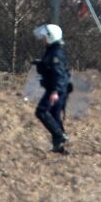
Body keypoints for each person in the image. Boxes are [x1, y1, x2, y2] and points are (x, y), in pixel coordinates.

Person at [32, 24, 71, 154]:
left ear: (50, 37)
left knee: (41, 111)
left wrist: (54, 92)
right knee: (54, 115)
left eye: (44, 37)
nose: (42, 39)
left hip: (56, 89)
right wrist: (40, 64)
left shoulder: (55, 54)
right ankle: (59, 146)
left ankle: (60, 135)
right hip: (58, 88)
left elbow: (58, 74)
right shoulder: (52, 50)